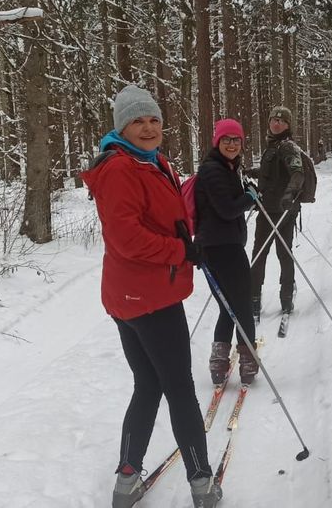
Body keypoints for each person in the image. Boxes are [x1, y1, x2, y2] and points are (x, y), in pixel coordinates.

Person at [79, 85, 221, 508]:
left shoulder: (150, 161)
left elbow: (162, 215)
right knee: (178, 387)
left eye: (153, 119)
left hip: (131, 297)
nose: (147, 126)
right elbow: (127, 238)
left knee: (148, 383)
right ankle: (201, 483)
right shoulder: (122, 168)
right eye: (137, 120)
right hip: (149, 297)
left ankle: (126, 480)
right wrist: (181, 251)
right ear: (121, 126)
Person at [194, 118, 260, 385]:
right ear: (217, 142)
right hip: (223, 248)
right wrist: (250, 196)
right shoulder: (213, 170)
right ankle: (247, 360)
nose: (232, 144)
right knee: (242, 305)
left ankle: (219, 363)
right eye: (226, 140)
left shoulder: (227, 167)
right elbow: (227, 209)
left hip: (217, 246)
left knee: (227, 306)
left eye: (236, 140)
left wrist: (245, 192)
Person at [246, 105, 304, 322]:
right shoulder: (272, 147)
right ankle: (253, 299)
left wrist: (289, 195)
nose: (276, 123)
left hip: (283, 211)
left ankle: (286, 297)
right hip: (265, 209)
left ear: (288, 126)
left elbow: (297, 174)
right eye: (273, 119)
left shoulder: (288, 147)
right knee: (258, 254)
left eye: (282, 121)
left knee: (283, 253)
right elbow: (272, 173)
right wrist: (253, 172)